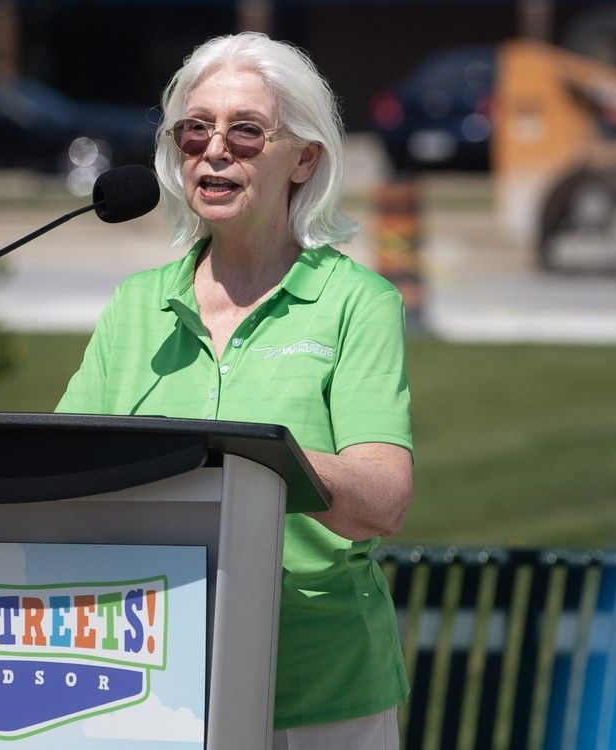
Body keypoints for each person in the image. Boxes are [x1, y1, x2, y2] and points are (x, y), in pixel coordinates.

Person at [56, 32, 413, 750]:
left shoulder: (357, 304)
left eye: (246, 132)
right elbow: (56, 472)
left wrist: (252, 460)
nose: (214, 150)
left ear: (304, 158)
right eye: (196, 129)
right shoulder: (135, 307)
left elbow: (382, 499)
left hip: (317, 691)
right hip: (147, 681)